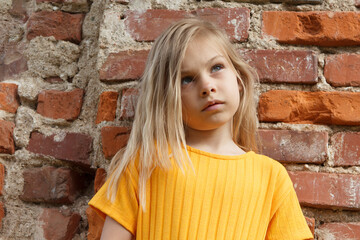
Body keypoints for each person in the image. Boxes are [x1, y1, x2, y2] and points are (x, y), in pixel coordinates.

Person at [89, 18, 313, 240]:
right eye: (187, 79)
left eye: (216, 67)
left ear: (238, 77)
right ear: (166, 98)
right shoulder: (146, 163)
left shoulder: (271, 177)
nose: (207, 86)